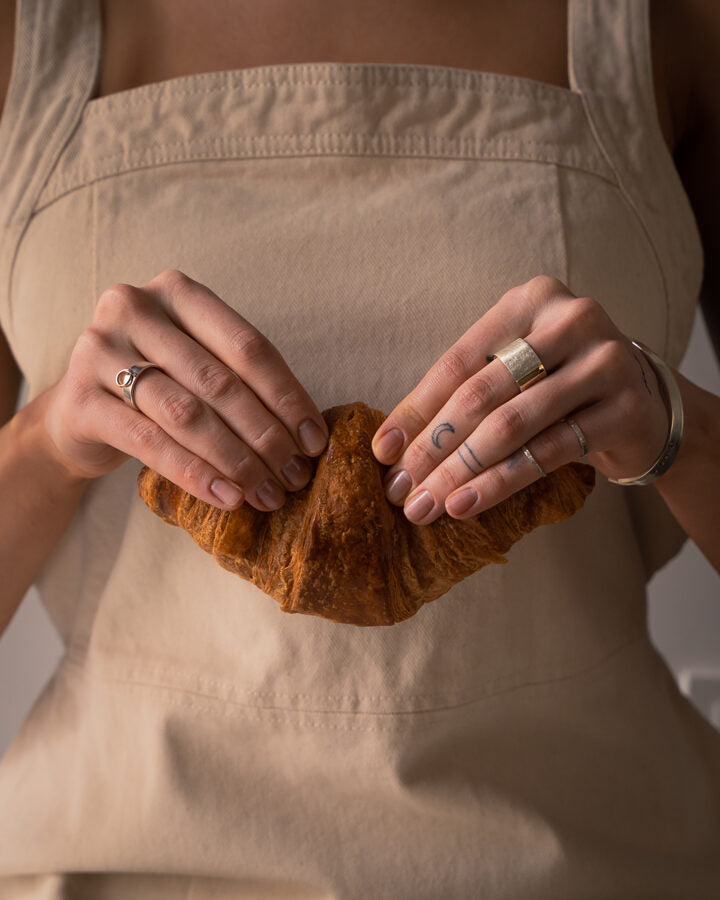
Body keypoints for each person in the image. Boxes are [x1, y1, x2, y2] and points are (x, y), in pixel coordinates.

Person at [0, 0, 719, 896]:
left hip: (590, 857)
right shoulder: (24, 38)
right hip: (114, 858)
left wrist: (673, 425)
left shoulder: (672, 27)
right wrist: (48, 440)